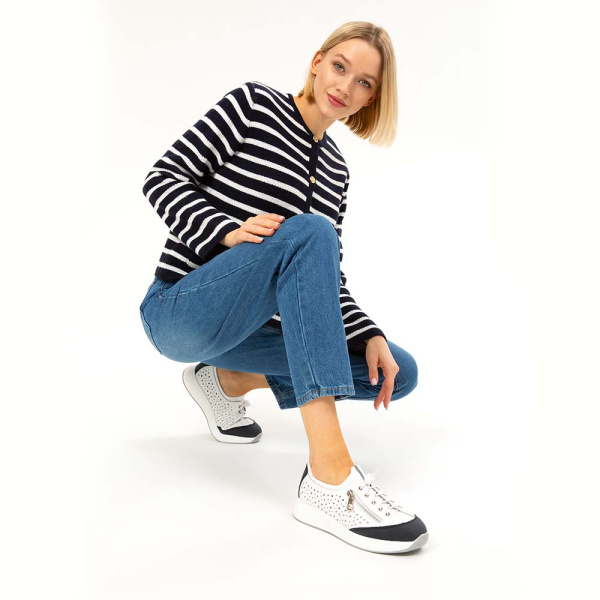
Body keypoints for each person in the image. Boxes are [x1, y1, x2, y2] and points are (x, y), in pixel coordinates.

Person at [138, 21, 428, 553]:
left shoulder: (336, 169)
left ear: (370, 98)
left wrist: (369, 333)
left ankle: (226, 381)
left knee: (396, 371)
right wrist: (225, 231)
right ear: (317, 62)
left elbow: (324, 276)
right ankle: (329, 479)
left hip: (247, 333)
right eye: (340, 67)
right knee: (311, 231)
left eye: (364, 82)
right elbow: (162, 177)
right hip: (179, 310)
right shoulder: (253, 105)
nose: (345, 86)